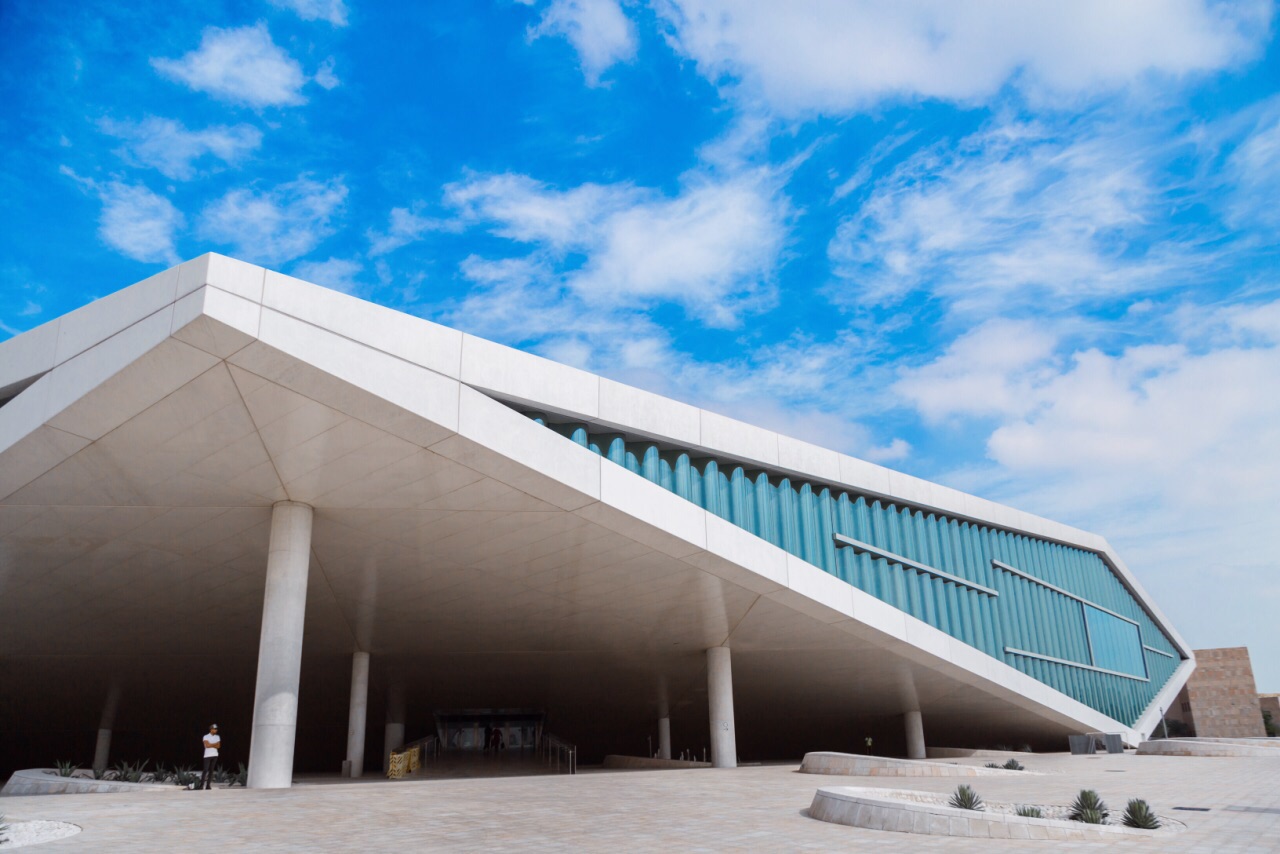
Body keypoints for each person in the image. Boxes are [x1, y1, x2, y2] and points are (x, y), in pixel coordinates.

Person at [200, 724, 221, 790]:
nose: (215, 730)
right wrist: (214, 744)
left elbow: (218, 746)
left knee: (211, 770)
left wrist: (211, 744)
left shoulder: (217, 737)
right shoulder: (206, 736)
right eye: (214, 729)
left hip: (215, 755)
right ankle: (201, 785)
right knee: (205, 770)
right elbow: (207, 745)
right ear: (211, 729)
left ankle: (208, 785)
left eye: (216, 729)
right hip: (207, 755)